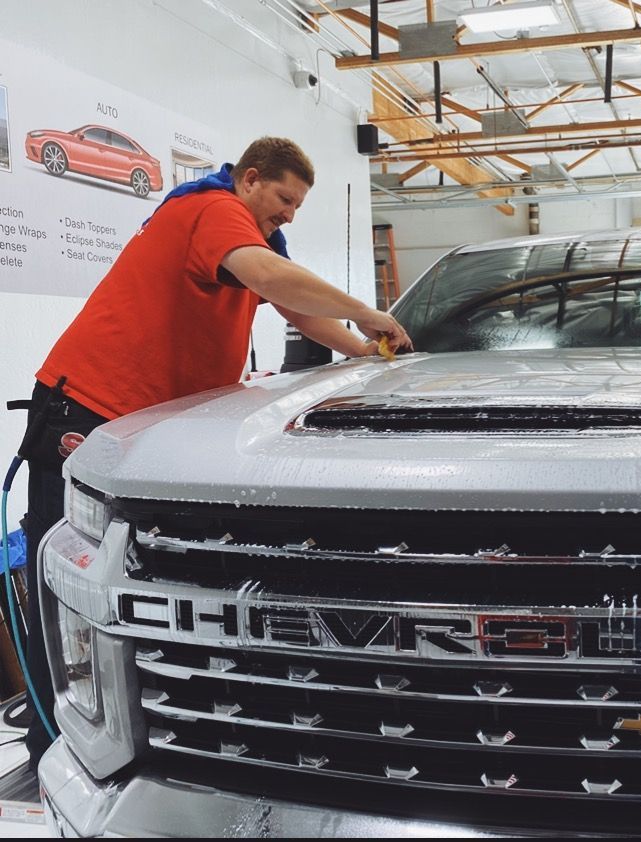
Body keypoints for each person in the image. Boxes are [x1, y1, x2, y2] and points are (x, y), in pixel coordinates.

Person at [16, 136, 412, 769]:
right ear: (250, 180)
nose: (287, 216)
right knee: (71, 587)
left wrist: (363, 354)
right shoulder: (212, 207)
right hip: (89, 407)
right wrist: (369, 315)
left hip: (148, 429)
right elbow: (269, 278)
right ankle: (54, 746)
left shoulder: (253, 235)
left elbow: (295, 308)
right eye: (284, 200)